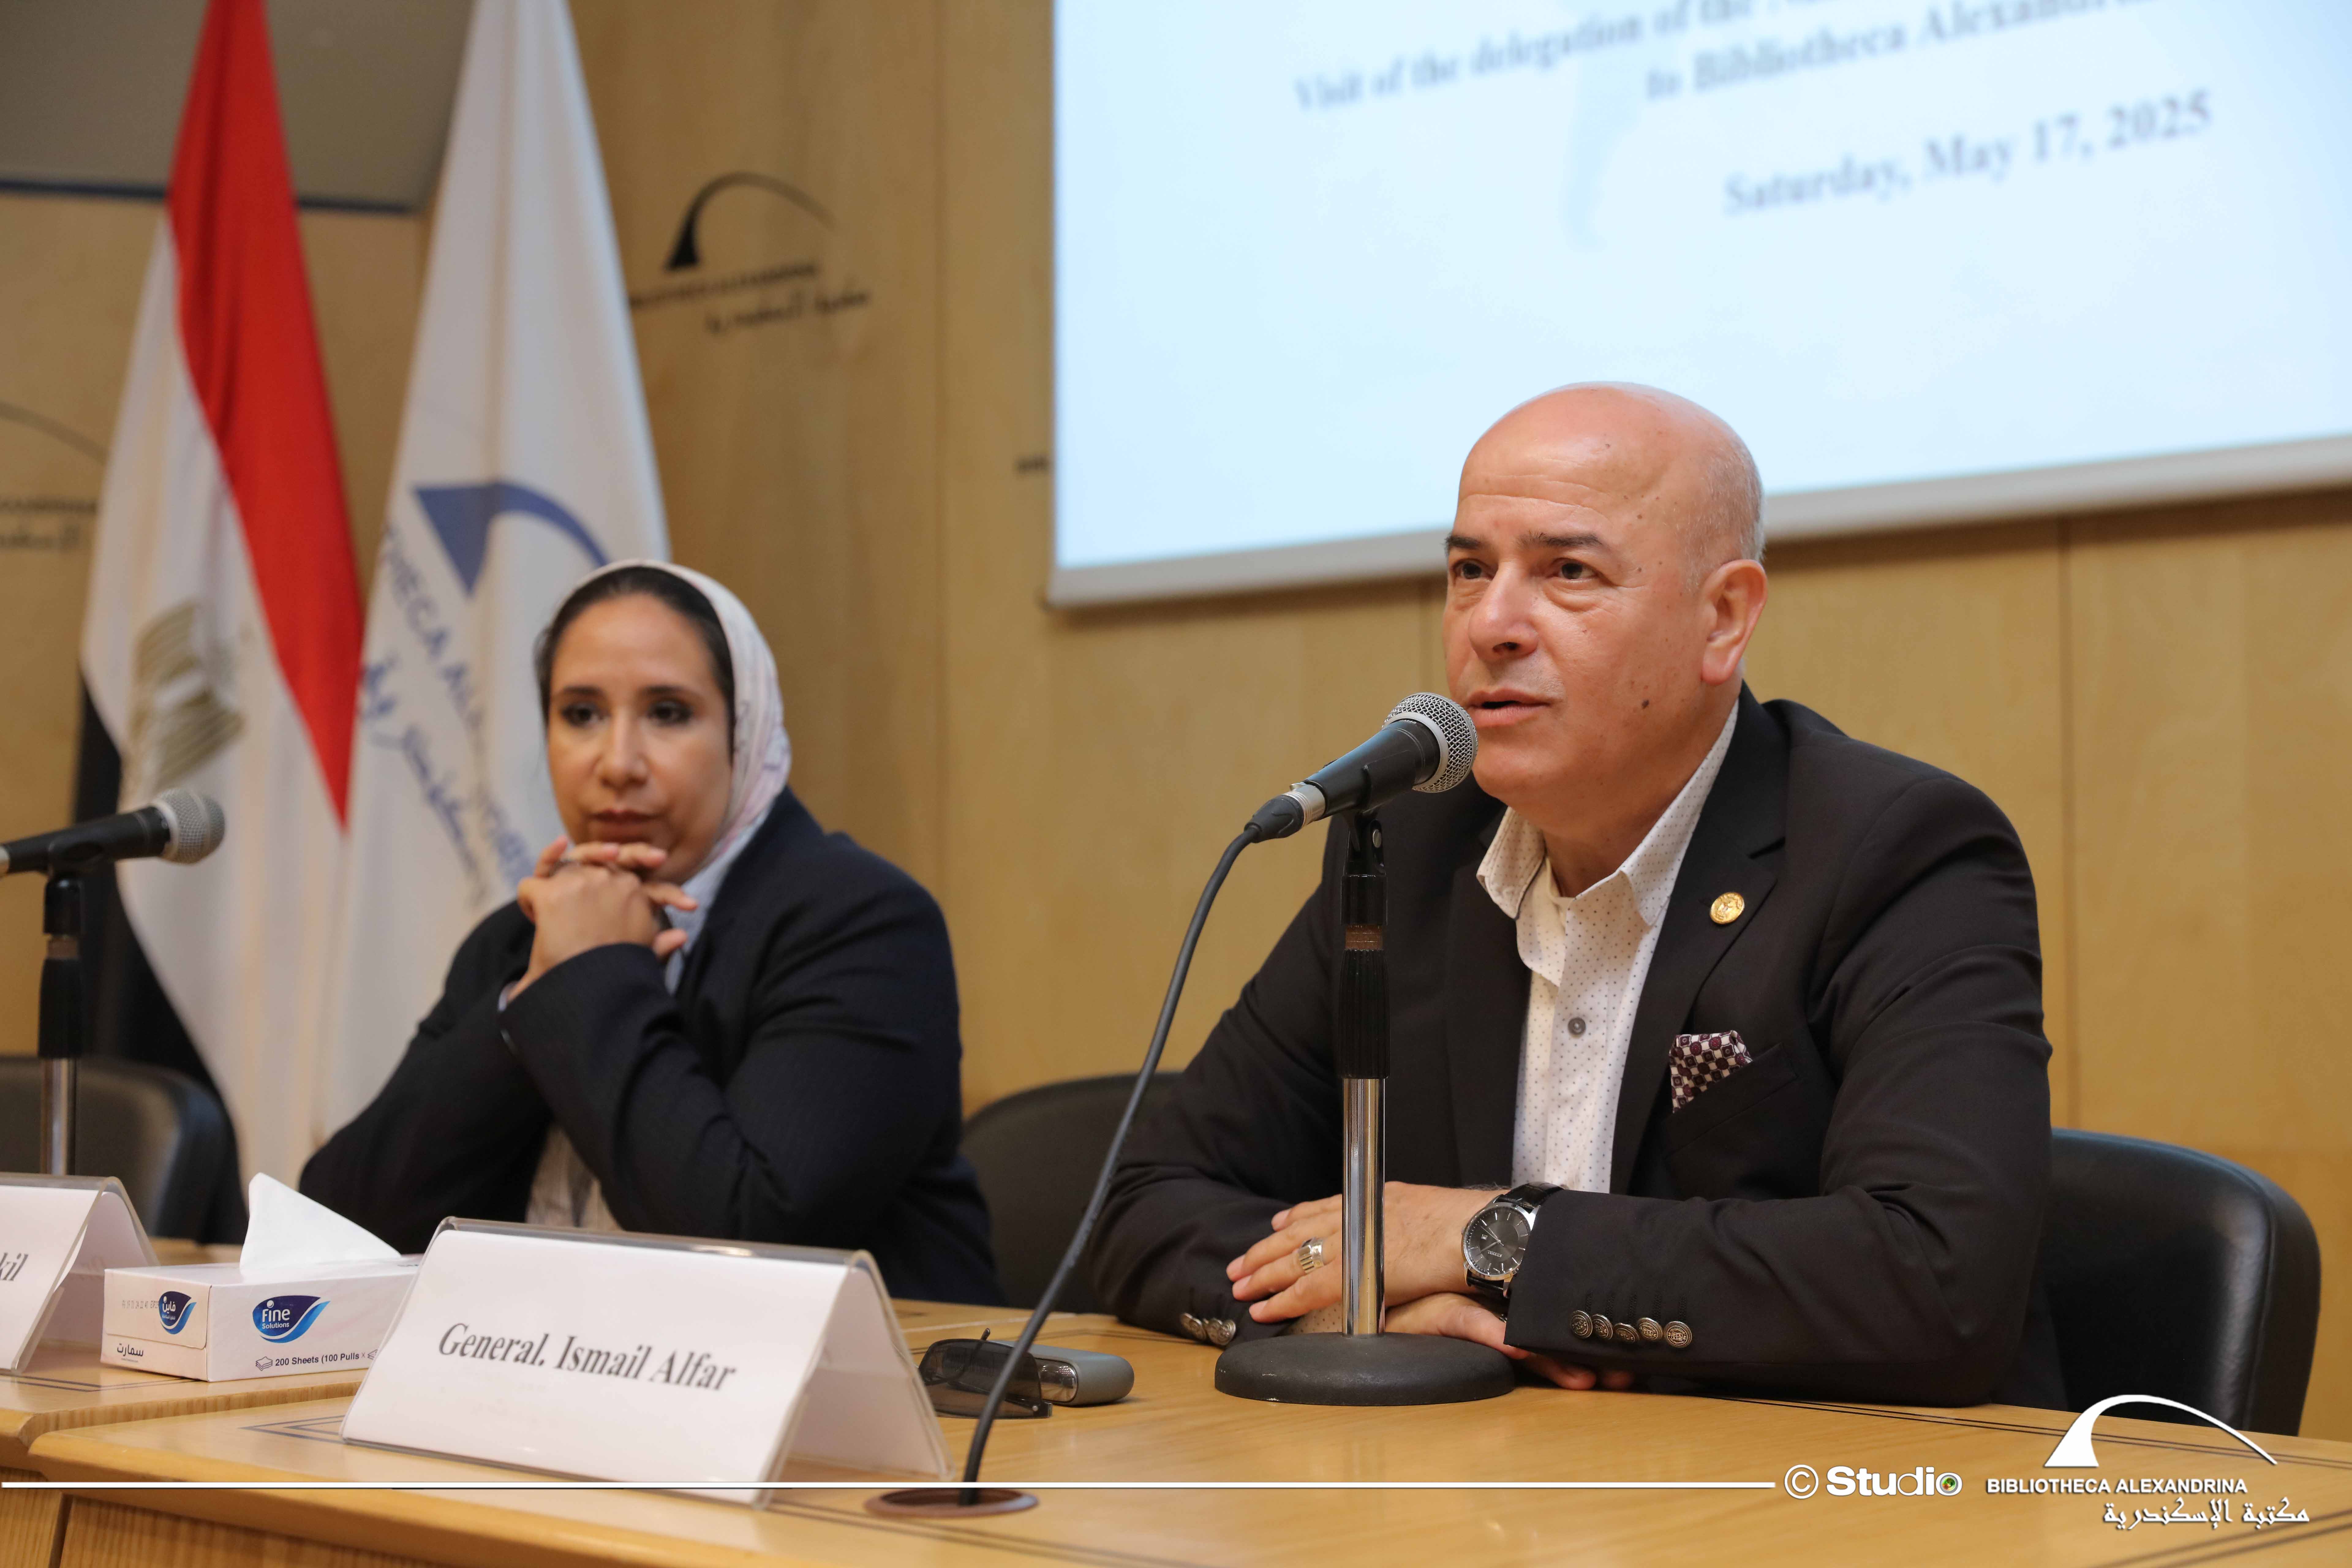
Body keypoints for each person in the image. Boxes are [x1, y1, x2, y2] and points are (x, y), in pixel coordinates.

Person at [1087, 384, 2063, 1406]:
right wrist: (1371, 1305)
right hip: (1494, 1475)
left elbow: (1937, 1277)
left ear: (1724, 619)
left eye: (1568, 572)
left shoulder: (1893, 850)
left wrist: (1483, 1238)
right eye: (1471, 571)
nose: (1492, 624)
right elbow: (1142, 1204)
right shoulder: (1410, 853)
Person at [303, 561, 1001, 1305]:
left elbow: (747, 1236)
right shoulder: (519, 939)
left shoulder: (860, 923)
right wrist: (532, 995)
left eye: (668, 712)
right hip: (552, 1365)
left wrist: (589, 979)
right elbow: (341, 1233)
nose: (617, 764)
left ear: (743, 731)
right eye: (581, 714)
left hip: (870, 1374)